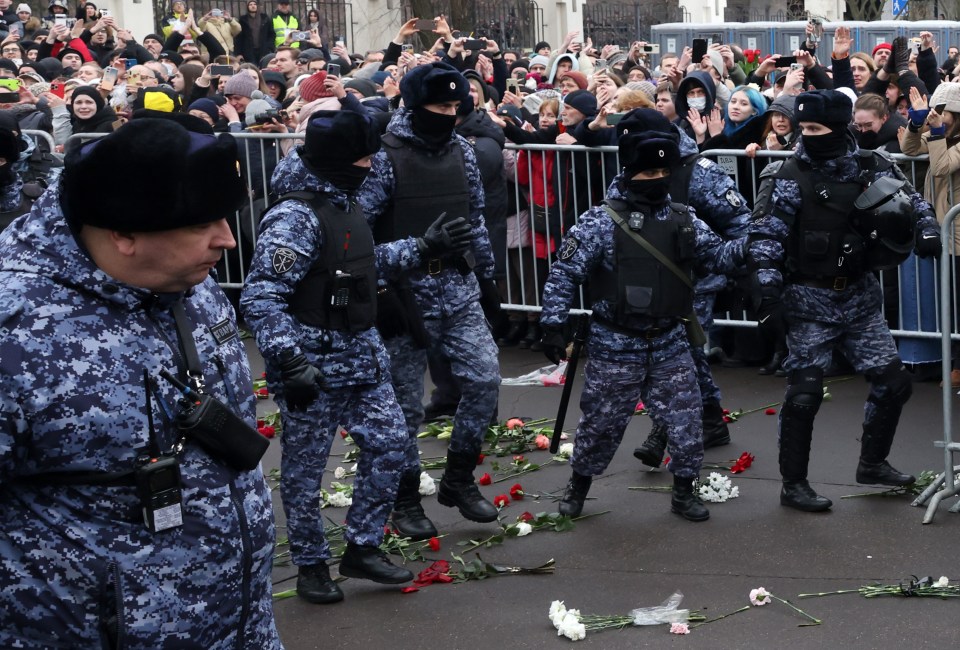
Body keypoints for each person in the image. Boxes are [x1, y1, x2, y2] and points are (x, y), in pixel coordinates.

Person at [0, 118, 282, 648]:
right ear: (123, 233)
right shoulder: (15, 325)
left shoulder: (188, 282)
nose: (227, 236)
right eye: (201, 222)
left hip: (238, 624)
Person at [241, 110, 447, 604]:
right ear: (337, 161)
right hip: (312, 367)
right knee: (305, 471)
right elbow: (261, 296)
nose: (371, 164)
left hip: (361, 356)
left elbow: (359, 262)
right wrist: (289, 361)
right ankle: (312, 564)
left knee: (392, 444)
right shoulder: (295, 216)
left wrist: (421, 248)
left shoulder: (343, 200)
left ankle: (362, 546)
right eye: (362, 157)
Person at [539, 112, 749, 521]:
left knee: (687, 422)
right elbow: (565, 273)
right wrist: (552, 323)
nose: (656, 178)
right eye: (648, 170)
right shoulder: (600, 221)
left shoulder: (684, 218)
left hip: (670, 339)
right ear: (631, 171)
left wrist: (753, 240)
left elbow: (719, 256)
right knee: (601, 425)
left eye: (662, 170)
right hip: (616, 344)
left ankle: (684, 491)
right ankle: (579, 485)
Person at [748, 89, 941, 512]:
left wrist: (927, 229)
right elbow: (765, 239)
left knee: (893, 384)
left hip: (858, 299)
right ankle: (793, 484)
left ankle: (873, 463)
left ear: (839, 127)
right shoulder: (788, 176)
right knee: (804, 394)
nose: (807, 136)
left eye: (816, 129)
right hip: (808, 300)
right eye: (804, 128)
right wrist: (766, 293)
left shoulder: (871, 164)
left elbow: (911, 201)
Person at [356, 62, 502, 537]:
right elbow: (354, 238)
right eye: (441, 107)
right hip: (402, 295)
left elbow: (475, 219)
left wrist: (489, 282)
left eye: (458, 107)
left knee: (484, 380)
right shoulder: (382, 158)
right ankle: (404, 498)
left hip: (458, 288)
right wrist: (404, 261)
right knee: (404, 406)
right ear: (415, 106)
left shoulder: (462, 152)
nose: (451, 115)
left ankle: (458, 480)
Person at [235, 0, 273, 65]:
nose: (253, 6)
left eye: (254, 4)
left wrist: (269, 47)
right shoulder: (243, 20)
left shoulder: (265, 18)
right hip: (248, 51)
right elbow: (239, 38)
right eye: (250, 4)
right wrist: (238, 53)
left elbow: (271, 34)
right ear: (247, 7)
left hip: (263, 50)